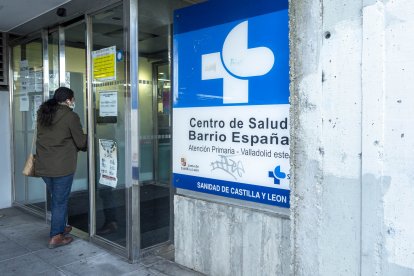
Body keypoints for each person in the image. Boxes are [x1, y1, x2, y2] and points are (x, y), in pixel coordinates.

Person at [35, 87, 87, 249]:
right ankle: (56, 236)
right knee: (60, 200)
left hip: (43, 165)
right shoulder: (71, 116)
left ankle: (61, 226)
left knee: (57, 197)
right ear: (68, 100)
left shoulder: (43, 113)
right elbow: (81, 142)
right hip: (62, 167)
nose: (74, 102)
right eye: (73, 99)